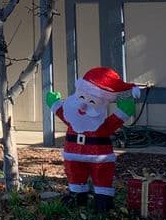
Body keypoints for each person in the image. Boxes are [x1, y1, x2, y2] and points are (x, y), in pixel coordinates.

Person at [46, 67, 140, 212]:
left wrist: (124, 109)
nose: (83, 106)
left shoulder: (100, 125)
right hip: (73, 156)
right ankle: (77, 196)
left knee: (102, 177)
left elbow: (114, 121)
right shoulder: (73, 117)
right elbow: (65, 114)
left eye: (91, 100)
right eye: (82, 98)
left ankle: (103, 202)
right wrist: (55, 104)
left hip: (99, 157)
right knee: (75, 176)